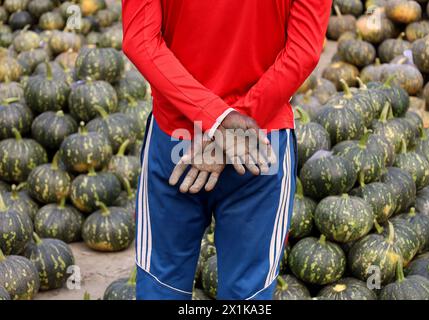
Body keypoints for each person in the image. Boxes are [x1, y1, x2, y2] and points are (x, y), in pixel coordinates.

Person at [121, 0, 331, 300]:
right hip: (260, 146)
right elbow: (302, 52)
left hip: (178, 143)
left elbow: (140, 39)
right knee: (247, 294)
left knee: (161, 284)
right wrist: (232, 125)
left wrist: (216, 120)